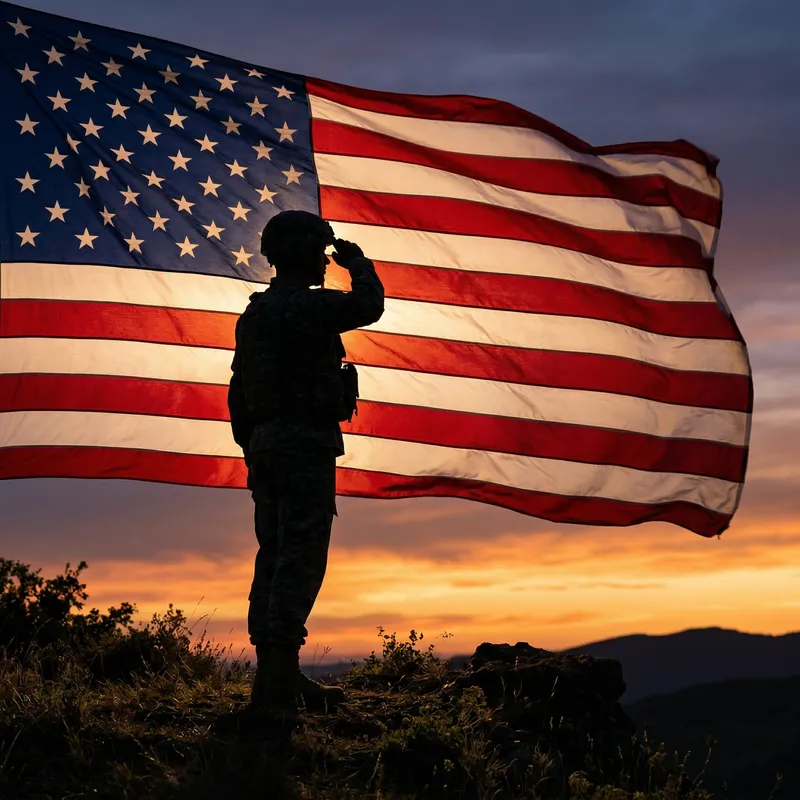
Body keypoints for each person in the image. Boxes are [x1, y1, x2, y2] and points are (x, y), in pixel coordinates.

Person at [227, 210, 385, 716]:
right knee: (300, 552)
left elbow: (237, 391)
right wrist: (358, 263)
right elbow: (369, 306)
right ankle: (279, 681)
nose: (323, 260)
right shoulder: (303, 309)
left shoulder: (254, 316)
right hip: (303, 444)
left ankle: (274, 676)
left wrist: (254, 444)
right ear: (302, 254)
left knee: (273, 552)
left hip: (267, 445)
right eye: (320, 252)